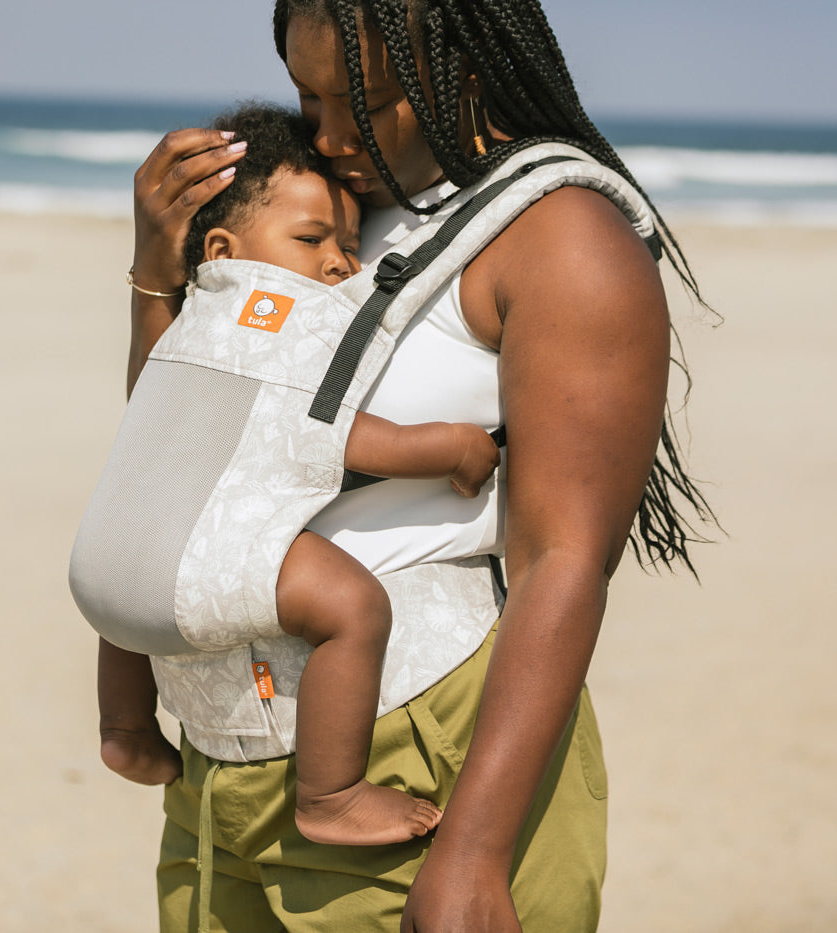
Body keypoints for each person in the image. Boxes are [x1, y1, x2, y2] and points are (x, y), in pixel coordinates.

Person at [117, 1, 718, 930]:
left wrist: (474, 851)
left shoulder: (560, 238)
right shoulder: (327, 209)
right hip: (223, 772)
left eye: (362, 97)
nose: (327, 132)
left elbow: (565, 559)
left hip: (418, 764)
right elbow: (182, 450)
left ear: (463, 67)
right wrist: (158, 275)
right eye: (307, 95)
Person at [84, 103, 500, 847]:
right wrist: (449, 447)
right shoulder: (266, 316)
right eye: (312, 240)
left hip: (106, 568)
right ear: (223, 247)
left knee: (140, 573)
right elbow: (329, 428)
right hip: (211, 562)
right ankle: (331, 793)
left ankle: (124, 729)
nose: (341, 263)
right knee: (352, 607)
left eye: (347, 244)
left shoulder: (186, 319)